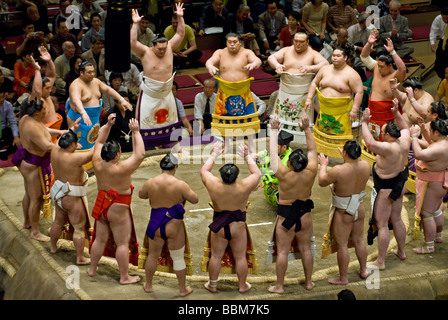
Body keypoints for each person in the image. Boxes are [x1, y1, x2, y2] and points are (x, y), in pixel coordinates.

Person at [87, 114, 145, 284]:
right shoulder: (122, 169)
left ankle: (92, 269)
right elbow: (140, 154)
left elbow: (98, 142)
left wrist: (107, 125)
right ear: (118, 154)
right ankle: (124, 277)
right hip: (118, 208)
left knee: (99, 238)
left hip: (102, 204)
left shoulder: (97, 162)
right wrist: (136, 132)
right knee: (122, 243)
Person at [201, 141, 261, 293]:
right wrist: (247, 156)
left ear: (220, 175)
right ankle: (242, 285)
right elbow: (257, 174)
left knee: (216, 256)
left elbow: (204, 170)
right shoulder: (244, 185)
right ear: (236, 176)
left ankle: (212, 285)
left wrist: (214, 153)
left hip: (219, 226)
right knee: (240, 257)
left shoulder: (213, 183)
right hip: (237, 227)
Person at [267, 114, 317, 292]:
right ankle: (309, 282)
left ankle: (279, 286)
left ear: (289, 163)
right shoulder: (311, 171)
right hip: (304, 216)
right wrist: (306, 129)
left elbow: (273, 153)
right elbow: (312, 151)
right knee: (305, 249)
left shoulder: (283, 174)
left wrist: (274, 131)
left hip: (286, 217)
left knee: (282, 252)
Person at [139, 153, 198, 297]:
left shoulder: (150, 182)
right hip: (174, 226)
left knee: (152, 256)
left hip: (155, 224)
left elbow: (141, 195)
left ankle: (148, 285)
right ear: (175, 167)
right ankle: (182, 289)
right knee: (178, 258)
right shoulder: (180, 185)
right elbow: (195, 199)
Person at [361, 101, 410, 269]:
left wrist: (364, 123)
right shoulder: (404, 140)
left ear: (388, 135)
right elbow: (404, 127)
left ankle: (380, 261)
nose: (381, 133)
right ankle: (401, 251)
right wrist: (396, 113)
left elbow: (369, 143)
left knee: (382, 224)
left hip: (386, 189)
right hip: (398, 184)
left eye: (383, 131)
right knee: (396, 219)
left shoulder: (388, 148)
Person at [12, 48, 54, 242]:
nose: (46, 110)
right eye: (44, 108)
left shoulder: (25, 116)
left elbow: (36, 92)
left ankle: (27, 222)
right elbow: (47, 146)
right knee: (35, 197)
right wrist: (66, 145)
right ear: (37, 112)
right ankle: (35, 231)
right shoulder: (35, 127)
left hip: (25, 157)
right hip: (34, 163)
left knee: (29, 193)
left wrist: (38, 70)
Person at [130, 4, 185, 150]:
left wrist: (180, 17)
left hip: (166, 92)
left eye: (164, 48)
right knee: (142, 122)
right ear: (153, 45)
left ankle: (176, 146)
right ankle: (138, 149)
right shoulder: (145, 52)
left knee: (172, 121)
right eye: (159, 49)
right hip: (150, 93)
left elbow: (180, 34)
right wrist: (135, 24)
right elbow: (133, 42)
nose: (162, 51)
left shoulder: (169, 48)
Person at [318, 140, 370, 285]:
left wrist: (323, 165)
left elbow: (322, 181)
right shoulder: (366, 166)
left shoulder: (338, 170)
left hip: (344, 212)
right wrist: (346, 159)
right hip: (359, 208)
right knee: (359, 240)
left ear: (345, 153)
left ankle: (343, 278)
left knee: (342, 245)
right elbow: (352, 169)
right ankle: (364, 270)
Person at [205, 33, 262, 153]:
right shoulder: (220, 53)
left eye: (234, 41)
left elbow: (257, 60)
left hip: (243, 91)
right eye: (229, 41)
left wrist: (253, 64)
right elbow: (210, 61)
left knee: (249, 120)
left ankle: (251, 146)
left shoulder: (247, 52)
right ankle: (227, 146)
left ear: (240, 42)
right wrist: (210, 66)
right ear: (226, 43)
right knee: (225, 121)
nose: (232, 44)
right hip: (224, 92)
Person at [268, 31, 328, 136]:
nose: (298, 44)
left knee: (301, 120)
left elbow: (325, 64)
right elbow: (271, 58)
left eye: (301, 41)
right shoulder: (286, 50)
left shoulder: (312, 53)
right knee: (281, 118)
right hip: (285, 91)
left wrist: (311, 68)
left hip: (303, 92)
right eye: (296, 41)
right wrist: (277, 65)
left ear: (307, 42)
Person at [67, 60, 132, 158]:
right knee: (79, 148)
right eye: (89, 72)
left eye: (93, 71)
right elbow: (76, 100)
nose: (92, 74)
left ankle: (93, 167)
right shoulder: (75, 85)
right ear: (81, 72)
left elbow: (107, 90)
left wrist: (122, 100)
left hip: (94, 121)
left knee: (94, 146)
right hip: (79, 120)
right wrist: (83, 113)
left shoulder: (96, 82)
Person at [49, 126, 93, 265]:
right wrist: (105, 131)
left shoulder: (55, 149)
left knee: (57, 222)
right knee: (79, 227)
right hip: (72, 197)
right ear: (73, 144)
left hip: (59, 194)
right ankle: (80, 257)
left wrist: (72, 129)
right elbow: (93, 152)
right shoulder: (75, 158)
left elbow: (61, 138)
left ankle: (53, 247)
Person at [306, 47, 363, 138]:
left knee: (339, 139)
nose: (334, 58)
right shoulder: (324, 69)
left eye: (338, 56)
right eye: (333, 55)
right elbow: (315, 83)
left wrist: (354, 110)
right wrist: (309, 98)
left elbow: (359, 92)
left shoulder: (352, 74)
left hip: (341, 113)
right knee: (320, 138)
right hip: (323, 111)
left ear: (345, 58)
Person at [361, 30, 406, 141]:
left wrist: (393, 52)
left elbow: (403, 68)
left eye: (382, 66)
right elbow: (364, 56)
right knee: (372, 139)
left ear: (390, 65)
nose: (379, 68)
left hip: (387, 115)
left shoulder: (396, 75)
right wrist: (369, 43)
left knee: (387, 140)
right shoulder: (377, 67)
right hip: (372, 112)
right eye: (378, 65)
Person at [410, 119, 448, 254]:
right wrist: (424, 130)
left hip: (433, 183)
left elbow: (419, 154)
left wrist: (414, 137)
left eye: (431, 131)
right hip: (439, 181)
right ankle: (438, 236)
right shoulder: (444, 141)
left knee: (427, 213)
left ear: (436, 132)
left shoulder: (440, 147)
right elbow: (432, 143)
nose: (430, 134)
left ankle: (429, 246)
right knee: (436, 209)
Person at [255, 130, 293, 206]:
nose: (271, 149)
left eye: (275, 147)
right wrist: (259, 179)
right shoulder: (268, 153)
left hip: (282, 196)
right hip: (269, 194)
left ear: (284, 147)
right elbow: (255, 160)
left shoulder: (291, 159)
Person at [0, 87, 20, 161]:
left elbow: (12, 121)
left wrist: (16, 137)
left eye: (3, 97)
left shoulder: (7, 105)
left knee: (18, 141)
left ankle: (5, 153)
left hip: (4, 129)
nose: (2, 100)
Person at [431, 7, 448, 80]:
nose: (445, 20)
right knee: (438, 64)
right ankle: (443, 79)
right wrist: (432, 43)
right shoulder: (438, 19)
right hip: (443, 41)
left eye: (447, 18)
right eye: (444, 18)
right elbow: (433, 31)